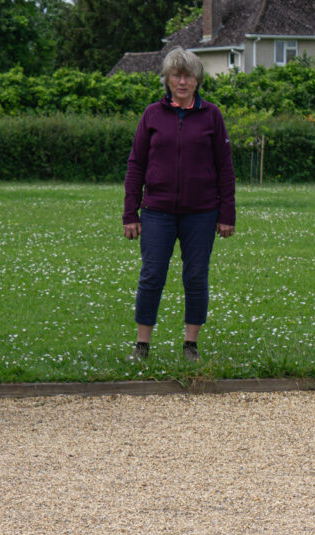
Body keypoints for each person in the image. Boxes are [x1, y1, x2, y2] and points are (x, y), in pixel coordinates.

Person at [122, 47, 236, 363]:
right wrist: (130, 212)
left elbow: (225, 167)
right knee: (152, 273)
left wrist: (227, 212)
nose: (182, 81)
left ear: (198, 80)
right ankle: (142, 344)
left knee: (196, 276)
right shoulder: (152, 115)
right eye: (176, 75)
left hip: (201, 212)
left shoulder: (211, 115)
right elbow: (136, 164)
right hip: (157, 210)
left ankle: (190, 345)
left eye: (188, 76)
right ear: (167, 79)